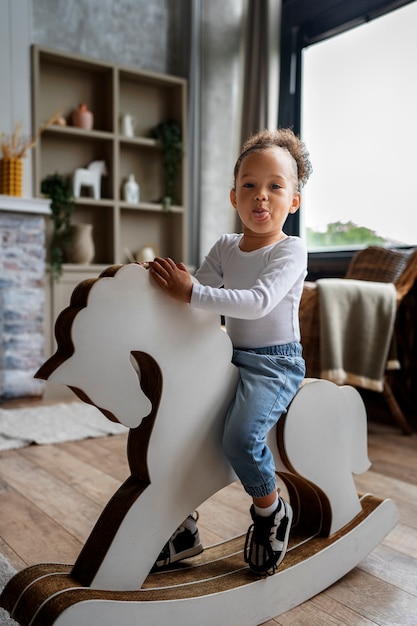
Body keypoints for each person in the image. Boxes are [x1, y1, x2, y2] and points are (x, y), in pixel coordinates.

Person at [149, 128, 313, 576]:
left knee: (240, 438)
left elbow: (257, 300)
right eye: (249, 185)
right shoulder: (225, 246)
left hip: (274, 364)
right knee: (179, 427)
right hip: (228, 356)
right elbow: (198, 298)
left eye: (275, 186)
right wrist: (163, 285)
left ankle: (269, 510)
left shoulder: (291, 251)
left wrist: (191, 293)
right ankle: (182, 527)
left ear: (293, 202)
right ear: (233, 196)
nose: (261, 196)